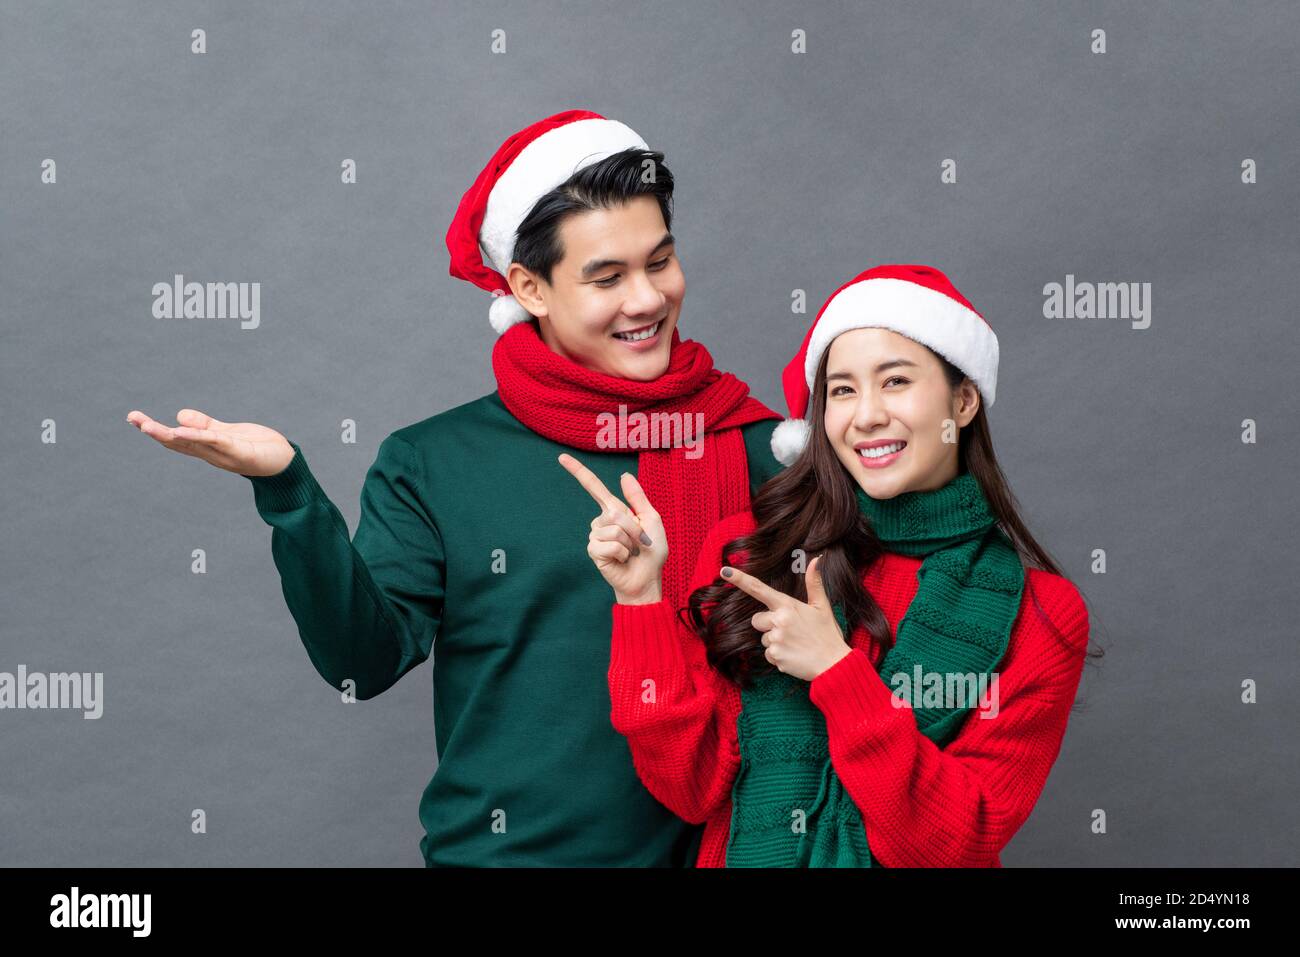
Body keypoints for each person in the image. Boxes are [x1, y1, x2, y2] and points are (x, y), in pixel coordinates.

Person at [125, 110, 786, 866]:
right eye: (606, 277)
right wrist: (289, 492)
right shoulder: (433, 462)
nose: (646, 299)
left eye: (659, 262)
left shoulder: (755, 448)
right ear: (528, 287)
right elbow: (360, 664)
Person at [564, 263, 1098, 866]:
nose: (865, 415)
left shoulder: (1043, 613)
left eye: (895, 381)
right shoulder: (750, 554)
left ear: (965, 399)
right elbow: (689, 788)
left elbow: (957, 841)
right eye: (842, 390)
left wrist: (838, 675)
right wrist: (639, 604)